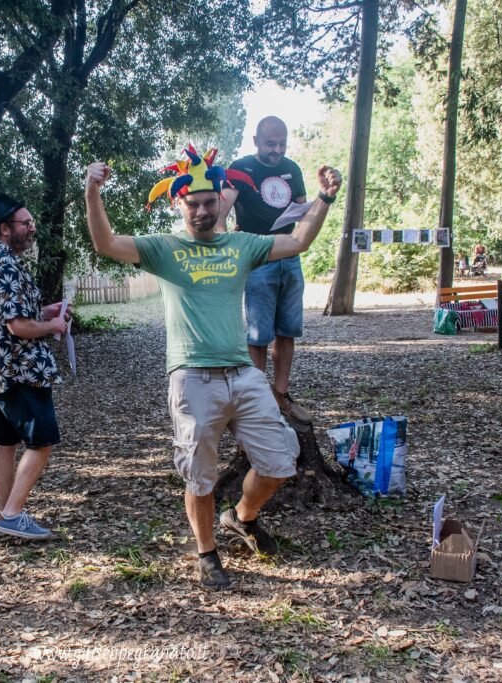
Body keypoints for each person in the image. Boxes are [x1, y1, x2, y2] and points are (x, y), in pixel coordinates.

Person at [85, 147, 342, 589]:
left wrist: (325, 198)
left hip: (243, 374)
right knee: (200, 475)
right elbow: (105, 243)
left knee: (282, 461)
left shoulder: (242, 245)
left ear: (223, 200)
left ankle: (242, 517)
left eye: (209, 202)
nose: (202, 210)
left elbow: (298, 241)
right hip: (192, 377)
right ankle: (207, 553)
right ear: (178, 204)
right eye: (193, 203)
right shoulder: (162, 249)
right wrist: (92, 191)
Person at [0, 194, 71, 541]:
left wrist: (47, 311)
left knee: (5, 442)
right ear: (5, 229)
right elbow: (18, 327)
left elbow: (6, 314)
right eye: (26, 223)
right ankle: (12, 514)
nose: (32, 229)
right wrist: (53, 327)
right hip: (17, 370)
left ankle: (5, 512)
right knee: (42, 442)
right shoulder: (5, 264)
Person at [217, 116, 312, 425]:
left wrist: (308, 221)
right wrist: (226, 248)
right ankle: (259, 400)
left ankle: (281, 396)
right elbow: (221, 213)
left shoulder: (292, 169)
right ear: (256, 140)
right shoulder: (241, 168)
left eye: (282, 143)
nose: (277, 149)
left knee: (288, 330)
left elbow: (303, 209)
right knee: (258, 335)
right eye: (271, 143)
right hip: (256, 259)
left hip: (290, 256)